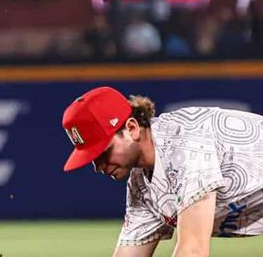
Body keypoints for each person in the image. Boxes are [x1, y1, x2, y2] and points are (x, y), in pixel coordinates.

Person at [61, 86, 263, 256]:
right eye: (92, 159)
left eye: (103, 153)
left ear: (132, 128)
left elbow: (193, 251)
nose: (98, 166)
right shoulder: (142, 185)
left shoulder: (184, 144)